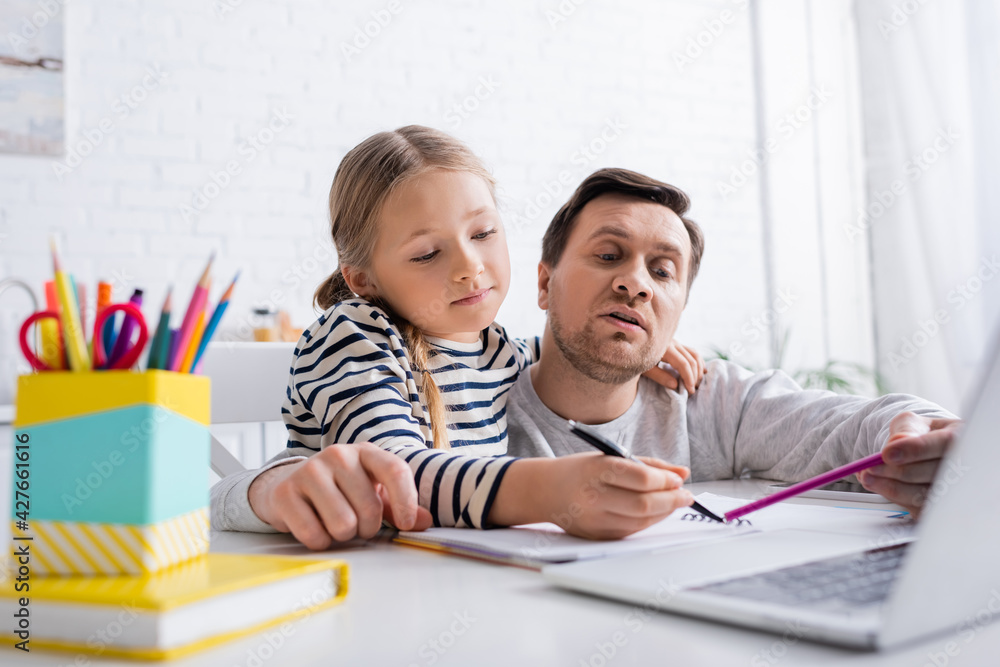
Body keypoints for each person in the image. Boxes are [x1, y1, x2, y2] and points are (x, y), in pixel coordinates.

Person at [211, 127, 704, 549]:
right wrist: (553, 492)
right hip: (357, 583)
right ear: (362, 277)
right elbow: (398, 482)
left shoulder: (498, 351)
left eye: (484, 233)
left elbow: (560, 359)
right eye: (427, 254)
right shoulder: (352, 336)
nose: (470, 268)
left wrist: (633, 346)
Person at [503, 168, 961, 519]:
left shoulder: (706, 399)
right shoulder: (474, 395)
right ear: (545, 284)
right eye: (608, 255)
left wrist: (921, 434)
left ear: (679, 310)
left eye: (663, 271)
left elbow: (846, 426)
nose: (636, 283)